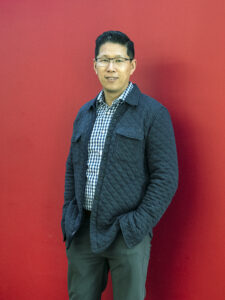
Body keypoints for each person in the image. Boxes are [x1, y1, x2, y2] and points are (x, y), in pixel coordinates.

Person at [61, 30, 179, 300]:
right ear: (94, 65)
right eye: (104, 60)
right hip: (83, 232)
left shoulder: (153, 114)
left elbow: (166, 178)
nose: (111, 68)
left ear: (132, 65)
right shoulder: (84, 114)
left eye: (119, 60)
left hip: (127, 234)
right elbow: (72, 169)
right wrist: (70, 215)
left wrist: (136, 225)